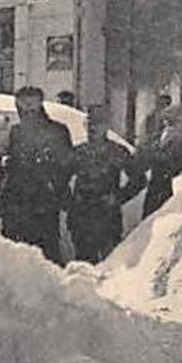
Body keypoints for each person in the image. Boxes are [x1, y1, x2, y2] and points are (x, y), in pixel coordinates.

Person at [0, 86, 74, 264]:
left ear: (40, 104)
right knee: (13, 256)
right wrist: (2, 160)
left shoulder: (57, 131)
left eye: (32, 104)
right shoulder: (13, 131)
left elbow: (67, 164)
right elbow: (6, 161)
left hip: (43, 202)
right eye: (23, 104)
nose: (27, 109)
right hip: (15, 201)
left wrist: (52, 181)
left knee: (45, 254)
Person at [66, 104, 144, 264]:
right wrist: (70, 203)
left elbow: (139, 180)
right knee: (84, 265)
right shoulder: (77, 152)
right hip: (82, 216)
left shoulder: (117, 152)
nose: (92, 128)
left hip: (107, 216)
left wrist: (118, 198)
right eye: (89, 124)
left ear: (107, 126)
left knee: (110, 265)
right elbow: (59, 179)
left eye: (97, 123)